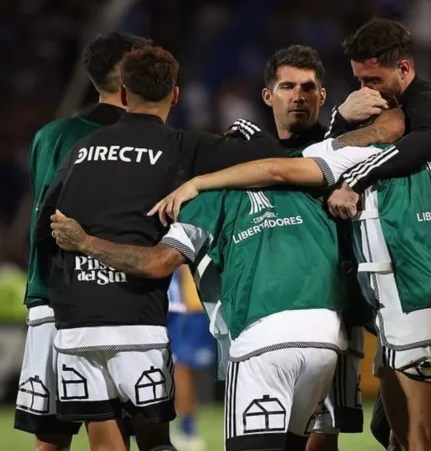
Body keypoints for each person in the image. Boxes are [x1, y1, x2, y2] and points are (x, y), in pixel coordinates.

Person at [34, 45, 288, 451]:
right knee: (154, 442)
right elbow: (275, 157)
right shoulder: (183, 147)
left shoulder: (80, 150)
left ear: (122, 95)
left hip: (77, 320)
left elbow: (44, 228)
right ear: (174, 95)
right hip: (136, 316)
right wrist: (241, 129)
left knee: (104, 443)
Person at [323, 18, 431, 451]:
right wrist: (339, 119)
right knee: (392, 432)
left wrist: (355, 179)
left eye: (374, 79)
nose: (368, 91)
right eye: (358, 81)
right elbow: (325, 161)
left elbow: (427, 143)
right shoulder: (377, 110)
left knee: (426, 438)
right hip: (394, 292)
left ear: (404, 68)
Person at [14, 31, 150, 451]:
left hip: (49, 302)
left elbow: (43, 222)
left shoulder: (51, 136)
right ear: (131, 76)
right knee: (117, 430)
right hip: (113, 302)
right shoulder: (150, 141)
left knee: (51, 436)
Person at [166, 266, 213, 451]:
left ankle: (186, 430)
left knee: (181, 369)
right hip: (188, 303)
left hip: (185, 306)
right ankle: (186, 429)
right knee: (180, 369)